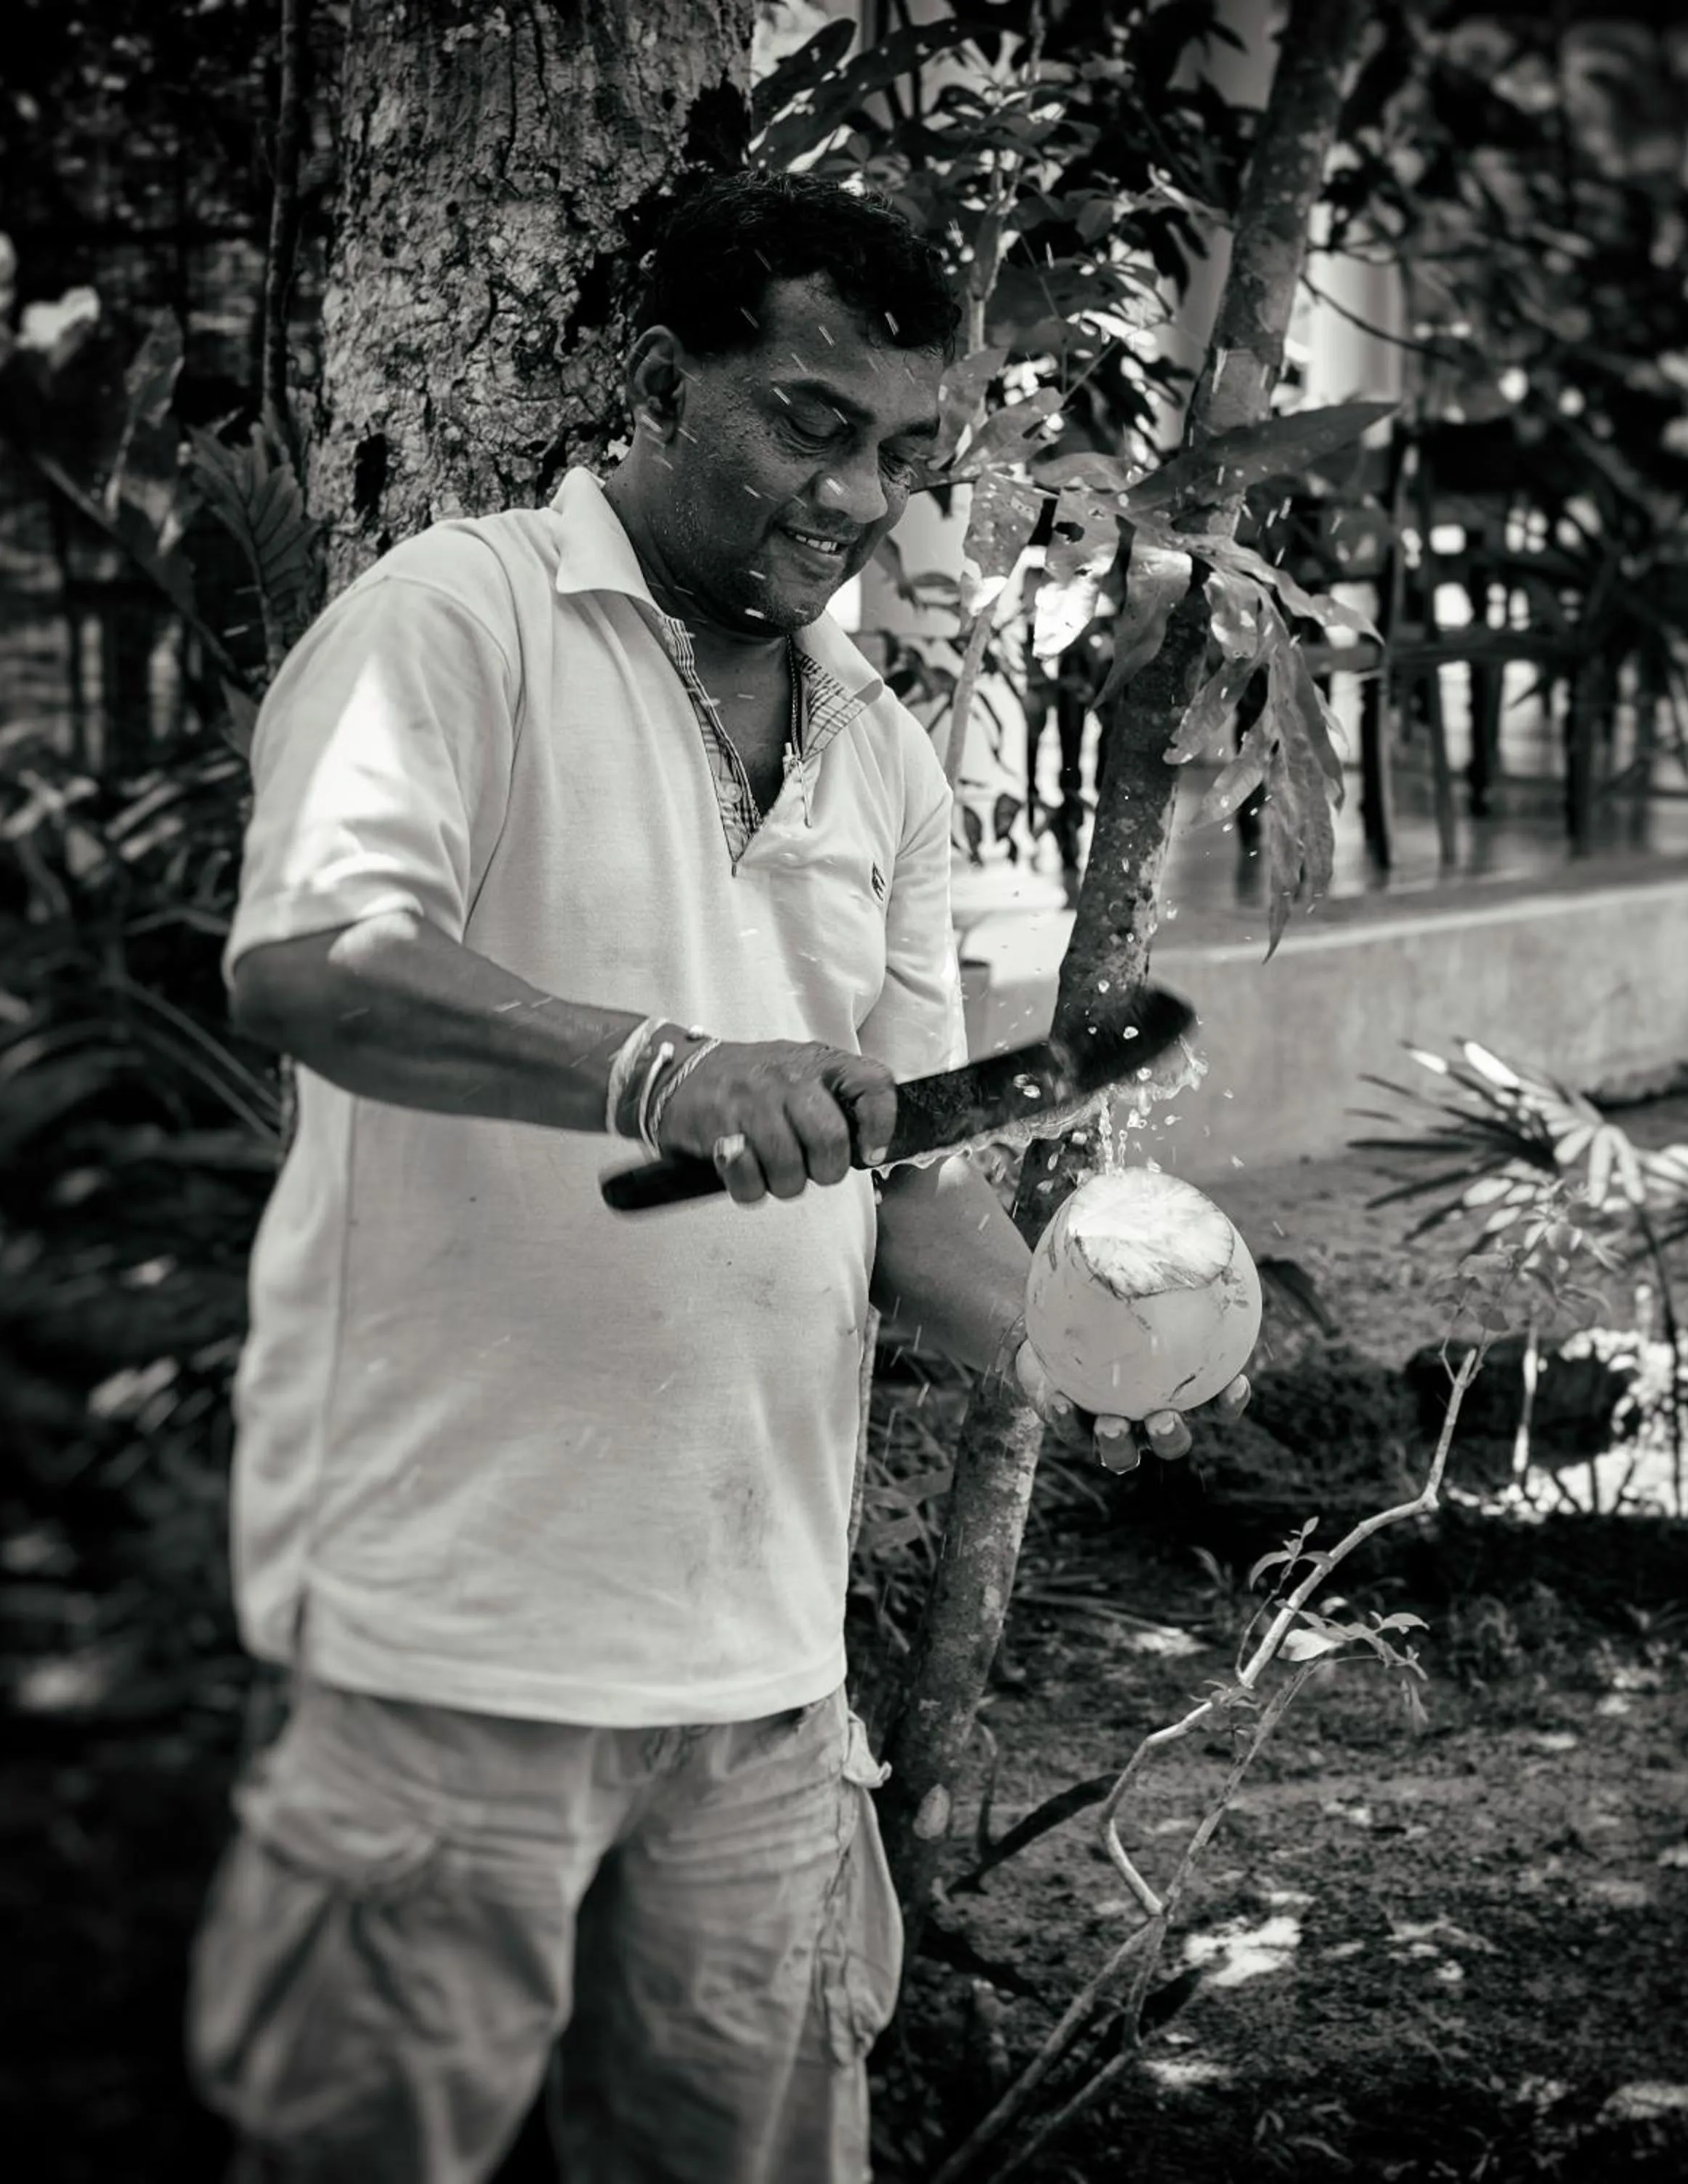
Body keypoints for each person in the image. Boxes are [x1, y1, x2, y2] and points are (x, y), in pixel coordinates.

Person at [186, 169, 1250, 2184]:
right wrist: (661, 1070)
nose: (858, 500)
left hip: (756, 1690)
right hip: (444, 1656)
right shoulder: (457, 619)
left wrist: (1085, 1343)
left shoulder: (885, 757)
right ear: (661, 386)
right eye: (809, 423)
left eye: (904, 453)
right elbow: (311, 965)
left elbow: (909, 1179)